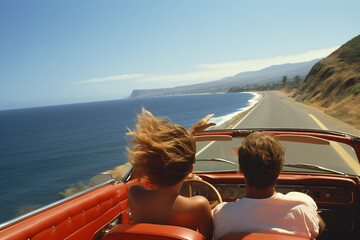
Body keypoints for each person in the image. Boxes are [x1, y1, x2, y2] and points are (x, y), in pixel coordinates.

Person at [213, 132, 325, 240]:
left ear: (241, 169)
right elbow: (318, 229)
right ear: (279, 169)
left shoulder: (222, 215)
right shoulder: (303, 205)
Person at [126, 108, 216, 240]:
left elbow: (139, 169)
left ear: (149, 165)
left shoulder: (135, 194)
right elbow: (207, 238)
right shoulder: (199, 205)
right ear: (190, 170)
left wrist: (192, 131)